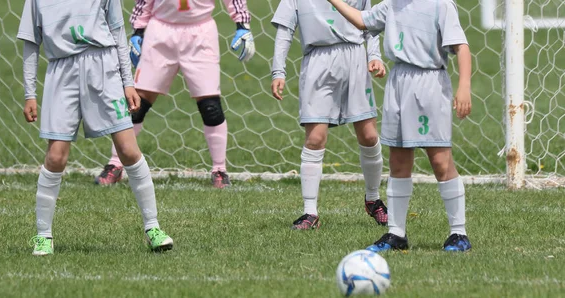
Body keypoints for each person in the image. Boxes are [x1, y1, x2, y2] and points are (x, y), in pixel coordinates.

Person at [18, 0, 173, 256]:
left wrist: (128, 82)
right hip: (61, 71)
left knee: (127, 149)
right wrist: (29, 94)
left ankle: (153, 228)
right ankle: (43, 236)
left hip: (103, 68)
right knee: (56, 156)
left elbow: (117, 32)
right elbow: (30, 43)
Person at [327, 0, 473, 251]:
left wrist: (464, 87)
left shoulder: (441, 5)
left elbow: (462, 47)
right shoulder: (391, 5)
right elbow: (363, 20)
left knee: (440, 160)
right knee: (398, 160)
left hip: (430, 83)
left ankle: (458, 233)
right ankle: (396, 233)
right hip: (398, 84)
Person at [94, 0, 256, 189]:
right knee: (137, 103)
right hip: (160, 33)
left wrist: (242, 25)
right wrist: (138, 31)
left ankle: (219, 170)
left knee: (210, 105)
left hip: (201, 34)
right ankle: (116, 163)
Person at [271, 0, 389, 230]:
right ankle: (310, 212)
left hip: (355, 58)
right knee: (315, 138)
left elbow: (369, 21)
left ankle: (373, 199)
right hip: (318, 61)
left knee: (369, 135)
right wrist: (278, 71)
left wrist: (375, 56)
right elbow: (285, 30)